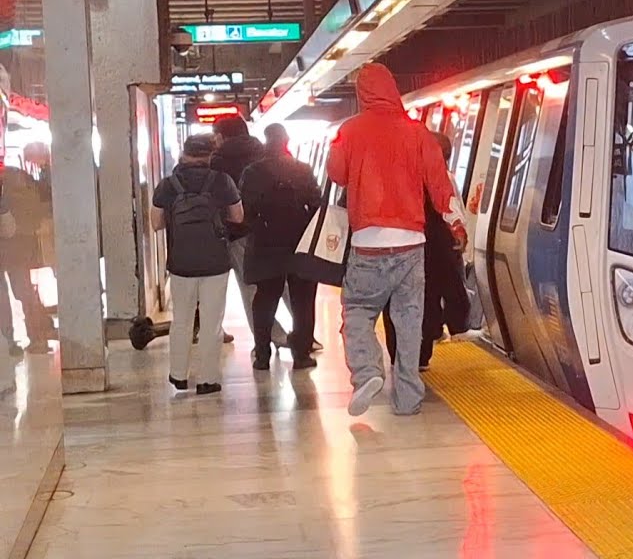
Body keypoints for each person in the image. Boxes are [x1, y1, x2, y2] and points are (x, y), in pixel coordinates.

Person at [327, 63, 467, 417]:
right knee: (409, 320)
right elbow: (439, 183)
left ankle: (367, 372)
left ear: (362, 93)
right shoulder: (417, 132)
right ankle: (407, 398)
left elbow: (337, 174)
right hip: (411, 242)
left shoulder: (349, 130)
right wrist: (456, 223)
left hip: (367, 240)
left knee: (358, 310)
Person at [151, 134, 244, 395]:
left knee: (181, 320)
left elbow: (156, 223)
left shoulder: (168, 185)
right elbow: (238, 216)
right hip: (215, 262)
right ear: (210, 155)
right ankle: (208, 379)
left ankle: (178, 375)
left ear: (184, 153)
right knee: (211, 323)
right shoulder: (222, 181)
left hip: (181, 263)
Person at [383, 130, 471, 371]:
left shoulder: (394, 173)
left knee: (397, 300)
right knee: (427, 296)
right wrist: (458, 234)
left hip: (395, 247)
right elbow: (452, 210)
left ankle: (399, 353)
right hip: (429, 248)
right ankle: (420, 354)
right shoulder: (441, 178)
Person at [239, 124, 323, 371]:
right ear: (286, 140)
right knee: (303, 301)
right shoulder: (302, 169)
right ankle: (301, 355)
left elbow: (246, 209)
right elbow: (316, 204)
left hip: (265, 245)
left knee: (265, 300)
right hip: (299, 243)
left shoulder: (253, 171)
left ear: (266, 141)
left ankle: (262, 355)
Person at [0, 165, 55, 356]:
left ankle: (9, 341)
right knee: (25, 293)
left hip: (10, 244)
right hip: (20, 246)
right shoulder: (16, 175)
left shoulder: (11, 178)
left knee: (7, 295)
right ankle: (37, 337)